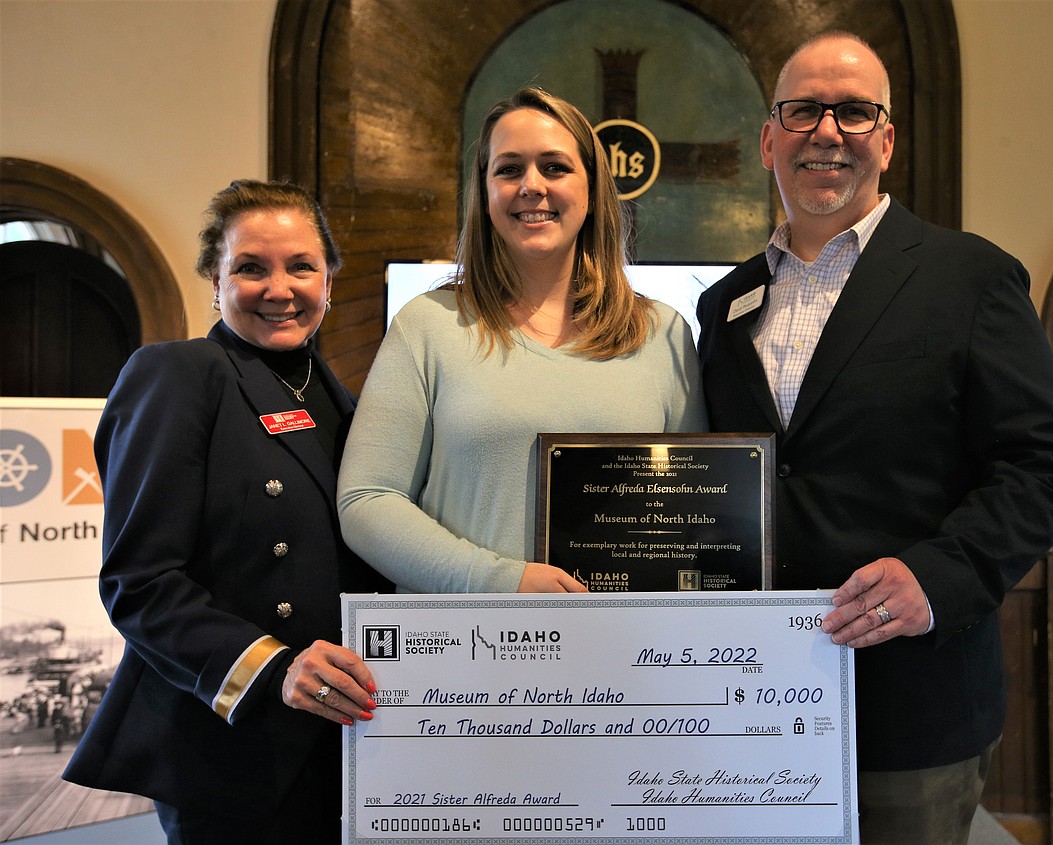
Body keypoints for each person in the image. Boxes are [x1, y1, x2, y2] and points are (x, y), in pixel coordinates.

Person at [696, 32, 1053, 844]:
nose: (826, 132)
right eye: (802, 110)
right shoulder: (725, 306)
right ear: (770, 138)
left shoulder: (970, 276)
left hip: (913, 704)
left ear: (887, 139)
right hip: (749, 701)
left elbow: (1045, 465)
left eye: (853, 111)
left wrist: (938, 575)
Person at [63, 180, 396, 844]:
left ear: (329, 280)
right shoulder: (178, 374)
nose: (280, 287)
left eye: (301, 265)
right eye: (251, 267)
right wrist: (274, 667)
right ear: (215, 282)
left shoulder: (353, 407)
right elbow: (141, 582)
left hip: (349, 746)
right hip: (235, 749)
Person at [338, 87, 706, 593]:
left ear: (594, 189)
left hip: (622, 654)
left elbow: (692, 515)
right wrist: (499, 582)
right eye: (509, 169)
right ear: (485, 192)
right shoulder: (426, 325)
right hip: (465, 655)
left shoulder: (663, 333)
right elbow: (367, 501)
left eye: (554, 167)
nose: (531, 186)